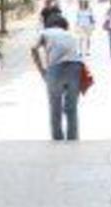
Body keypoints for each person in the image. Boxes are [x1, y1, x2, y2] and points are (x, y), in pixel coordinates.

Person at [31, 13, 84, 141]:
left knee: (55, 106)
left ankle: (57, 139)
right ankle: (72, 138)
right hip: (75, 68)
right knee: (71, 107)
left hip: (56, 69)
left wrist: (41, 70)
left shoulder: (45, 32)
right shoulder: (70, 35)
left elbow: (33, 48)